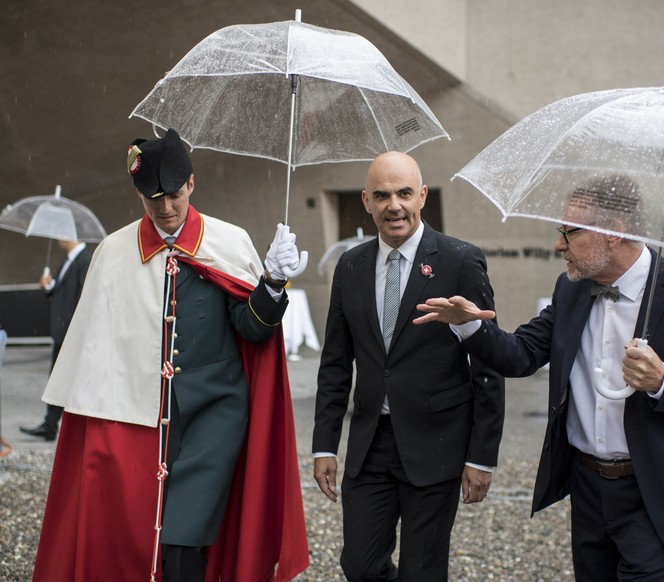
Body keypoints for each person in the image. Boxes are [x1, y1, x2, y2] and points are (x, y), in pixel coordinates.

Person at [414, 174, 664, 580]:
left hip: (655, 489)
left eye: (569, 232)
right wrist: (468, 326)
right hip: (587, 485)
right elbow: (520, 355)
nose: (559, 244)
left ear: (614, 233)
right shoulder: (570, 289)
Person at [31, 128, 310, 582]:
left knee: (184, 538)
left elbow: (252, 332)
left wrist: (272, 284)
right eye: (152, 198)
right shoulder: (113, 252)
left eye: (174, 195)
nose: (165, 209)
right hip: (135, 415)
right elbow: (95, 349)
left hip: (214, 414)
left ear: (192, 185)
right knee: (130, 537)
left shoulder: (229, 241)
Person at [312, 151, 505, 581]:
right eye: (382, 195)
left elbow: (487, 364)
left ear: (422, 196)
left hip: (436, 444)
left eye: (403, 193)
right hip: (370, 445)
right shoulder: (350, 266)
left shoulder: (460, 261)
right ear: (366, 200)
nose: (393, 205)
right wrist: (325, 444)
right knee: (359, 565)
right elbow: (335, 363)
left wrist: (482, 456)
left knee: (422, 572)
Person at [19, 237, 92, 441]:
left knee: (68, 379)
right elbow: (62, 293)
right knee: (58, 378)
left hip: (71, 332)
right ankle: (50, 425)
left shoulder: (85, 260)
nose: (58, 238)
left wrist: (77, 332)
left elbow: (84, 297)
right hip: (61, 331)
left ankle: (57, 426)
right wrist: (49, 286)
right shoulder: (67, 260)